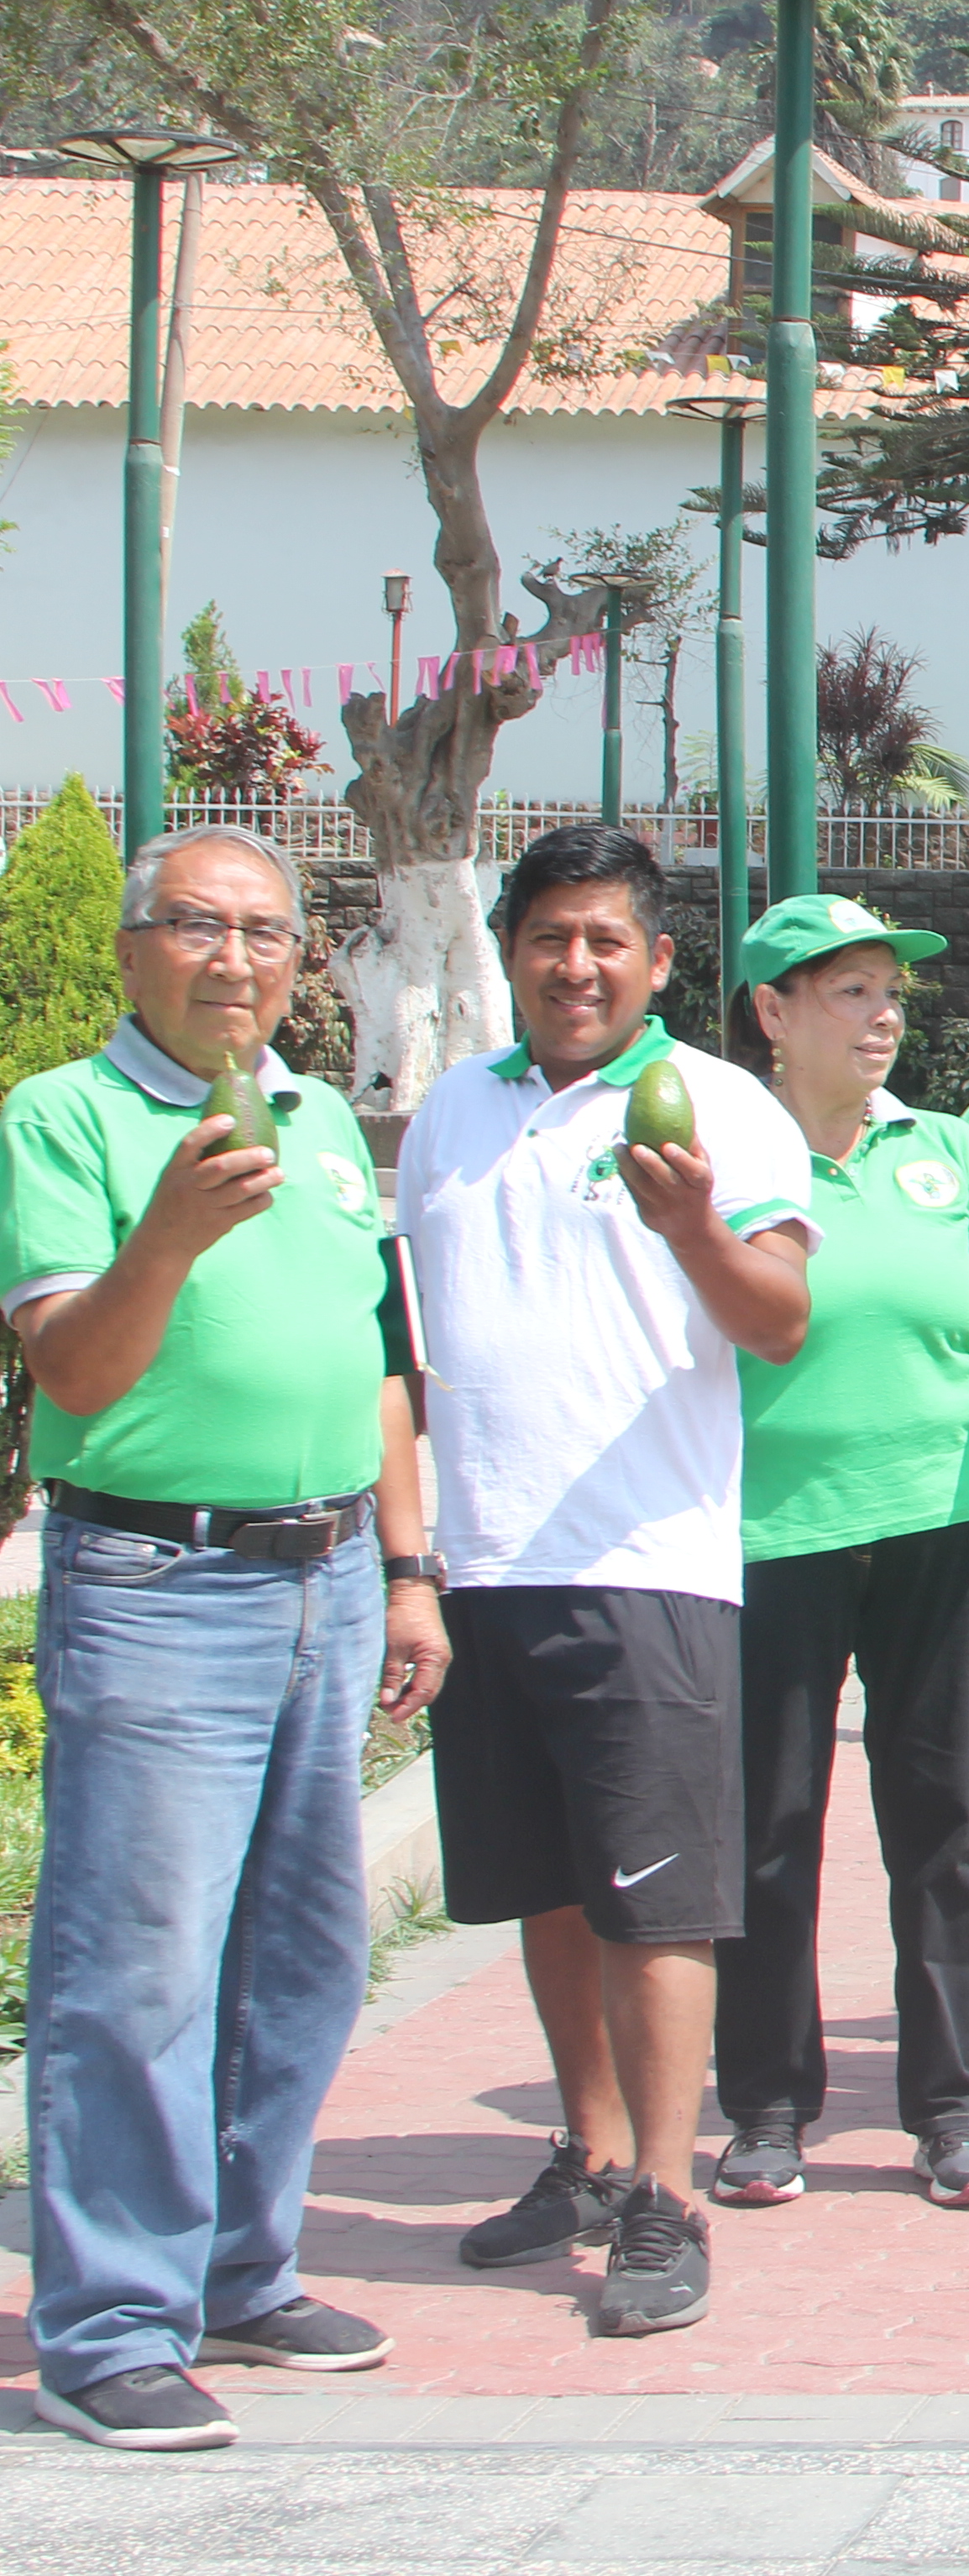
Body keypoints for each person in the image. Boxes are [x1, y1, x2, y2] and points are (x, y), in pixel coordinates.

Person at [8, 826, 441, 2452]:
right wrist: (171, 1232)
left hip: (329, 1577)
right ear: (137, 951)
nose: (237, 959)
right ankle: (110, 2323)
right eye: (198, 926)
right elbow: (74, 1375)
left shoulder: (324, 1120)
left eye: (266, 931)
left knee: (301, 1958)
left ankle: (239, 2271)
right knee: (136, 1972)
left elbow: (376, 1357)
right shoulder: (63, 1118)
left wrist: (410, 1566)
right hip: (159, 1585)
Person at [406, 824, 814, 2339]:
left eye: (606, 941)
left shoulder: (720, 1107)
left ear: (655, 963)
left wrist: (689, 1221)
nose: (575, 965)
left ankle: (664, 2191)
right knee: (546, 1885)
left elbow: (778, 1320)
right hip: (490, 1557)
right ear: (510, 950)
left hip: (646, 1565)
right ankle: (584, 2152)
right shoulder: (451, 1111)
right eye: (548, 937)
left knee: (657, 1899)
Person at [710, 895, 969, 2223]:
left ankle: (950, 2109)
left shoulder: (951, 1152)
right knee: (773, 1828)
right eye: (849, 992)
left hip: (948, 1522)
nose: (887, 1014)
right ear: (773, 1016)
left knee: (945, 1826)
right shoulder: (719, 1158)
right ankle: (769, 2112)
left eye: (893, 991)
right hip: (767, 1532)